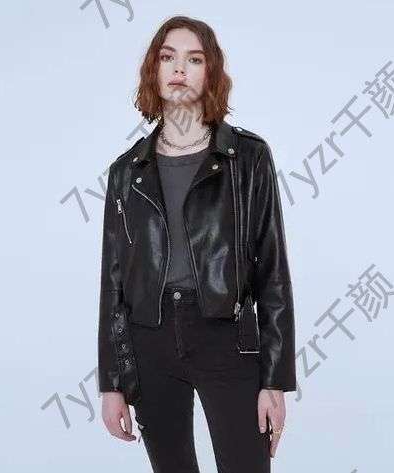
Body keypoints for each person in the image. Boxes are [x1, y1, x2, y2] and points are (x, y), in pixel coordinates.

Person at [98, 15, 296, 473]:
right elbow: (113, 280)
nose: (179, 69)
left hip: (227, 337)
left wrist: (275, 380)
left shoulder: (248, 158)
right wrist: (112, 382)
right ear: (154, 70)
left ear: (211, 72)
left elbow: (273, 271)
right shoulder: (127, 172)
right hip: (150, 340)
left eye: (194, 59)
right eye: (168, 57)